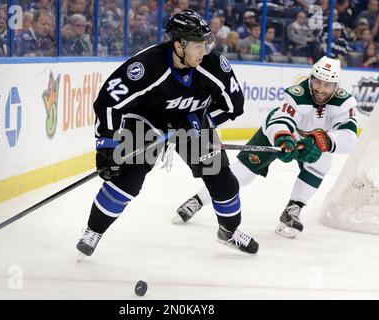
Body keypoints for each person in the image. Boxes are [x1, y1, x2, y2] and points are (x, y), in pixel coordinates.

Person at [76, 9, 259, 257]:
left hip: (193, 121)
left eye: (207, 44)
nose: (204, 51)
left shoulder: (215, 66)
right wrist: (107, 146)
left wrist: (200, 120)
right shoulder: (146, 66)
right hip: (147, 120)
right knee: (126, 180)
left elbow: (234, 106)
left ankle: (229, 232)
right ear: (178, 45)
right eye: (197, 46)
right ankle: (93, 230)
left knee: (222, 179)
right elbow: (108, 102)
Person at [175, 56, 358, 239]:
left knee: (321, 162)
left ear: (336, 86)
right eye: (317, 81)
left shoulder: (344, 103)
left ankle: (293, 208)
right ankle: (197, 201)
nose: (320, 88)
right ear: (311, 78)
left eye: (327, 85)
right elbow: (280, 121)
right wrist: (284, 138)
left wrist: (322, 141)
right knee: (242, 173)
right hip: (279, 136)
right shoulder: (297, 93)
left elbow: (349, 137)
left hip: (314, 142)